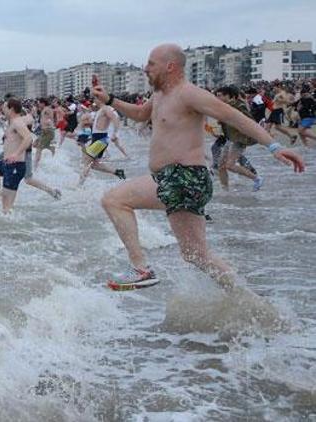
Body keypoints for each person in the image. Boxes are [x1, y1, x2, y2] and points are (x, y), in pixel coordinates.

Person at [92, 44, 304, 290]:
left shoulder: (190, 94)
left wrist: (275, 147)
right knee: (195, 254)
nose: (145, 68)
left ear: (170, 66)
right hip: (177, 179)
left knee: (114, 200)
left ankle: (140, 269)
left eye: (151, 64)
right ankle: (248, 301)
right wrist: (109, 99)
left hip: (184, 176)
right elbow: (140, 114)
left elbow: (236, 118)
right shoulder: (159, 95)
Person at [214, 86, 263, 191]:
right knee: (221, 166)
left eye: (220, 96)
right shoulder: (225, 106)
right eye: (216, 95)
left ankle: (257, 179)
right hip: (231, 138)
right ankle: (225, 190)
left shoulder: (238, 105)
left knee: (230, 165)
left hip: (241, 139)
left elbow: (249, 120)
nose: (217, 98)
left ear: (228, 96)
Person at [77, 98, 126, 186]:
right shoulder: (100, 110)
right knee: (94, 164)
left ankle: (79, 185)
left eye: (96, 98)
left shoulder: (106, 109)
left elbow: (115, 119)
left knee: (86, 160)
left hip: (101, 139)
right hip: (97, 139)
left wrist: (115, 133)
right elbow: (96, 125)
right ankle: (117, 172)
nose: (94, 100)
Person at [33, 98, 56, 170]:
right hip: (44, 131)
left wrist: (49, 124)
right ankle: (51, 148)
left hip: (48, 131)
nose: (38, 104)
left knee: (39, 148)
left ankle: (35, 167)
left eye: (39, 103)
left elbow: (51, 118)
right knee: (34, 144)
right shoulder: (44, 110)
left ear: (43, 103)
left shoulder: (47, 109)